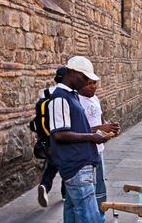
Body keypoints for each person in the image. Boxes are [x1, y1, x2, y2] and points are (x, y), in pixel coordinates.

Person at [48, 56, 109, 223]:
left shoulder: (71, 95)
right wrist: (92, 137)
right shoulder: (60, 97)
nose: (86, 82)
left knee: (73, 213)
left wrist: (98, 133)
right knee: (89, 216)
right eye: (84, 77)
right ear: (73, 73)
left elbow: (76, 128)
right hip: (76, 166)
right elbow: (59, 133)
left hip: (81, 163)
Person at [78, 78, 120, 222]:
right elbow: (77, 131)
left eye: (94, 83)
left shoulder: (95, 98)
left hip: (98, 149)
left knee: (100, 186)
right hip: (85, 152)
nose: (92, 86)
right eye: (89, 83)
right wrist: (100, 129)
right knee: (89, 188)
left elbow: (101, 121)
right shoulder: (77, 101)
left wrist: (110, 128)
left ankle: (100, 216)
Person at [37, 67, 67, 207]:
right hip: (63, 135)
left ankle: (44, 185)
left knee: (52, 164)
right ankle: (65, 194)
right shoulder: (66, 94)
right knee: (67, 165)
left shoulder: (45, 93)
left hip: (47, 137)